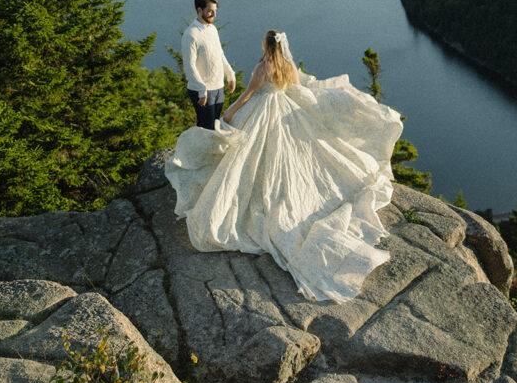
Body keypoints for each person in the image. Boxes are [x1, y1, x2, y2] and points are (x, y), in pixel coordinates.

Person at [167, 29, 403, 302]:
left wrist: (229, 114)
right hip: (286, 111)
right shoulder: (287, 66)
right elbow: (295, 88)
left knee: (249, 158)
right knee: (295, 156)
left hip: (263, 110)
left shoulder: (263, 66)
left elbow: (249, 93)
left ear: (266, 45)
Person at [181, 0, 236, 129]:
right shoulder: (191, 34)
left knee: (216, 126)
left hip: (218, 88)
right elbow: (189, 66)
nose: (214, 15)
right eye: (210, 11)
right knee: (206, 129)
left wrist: (230, 74)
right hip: (203, 91)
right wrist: (201, 89)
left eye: (215, 11)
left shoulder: (212, 29)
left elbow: (219, 54)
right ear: (200, 10)